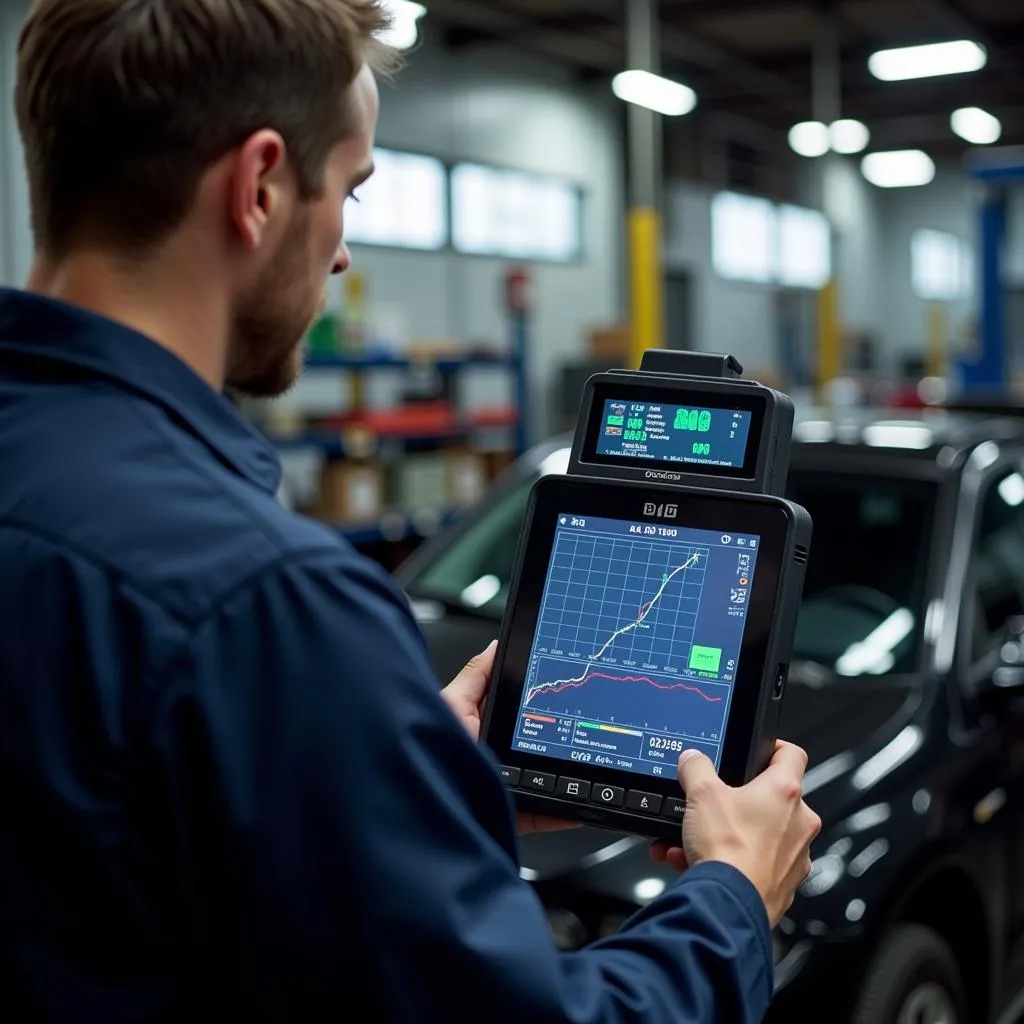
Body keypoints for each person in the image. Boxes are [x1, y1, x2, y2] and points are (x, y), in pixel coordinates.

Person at [0, 1, 821, 1020]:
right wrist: (735, 893)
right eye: (349, 188)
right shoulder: (268, 606)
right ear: (259, 186)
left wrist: (376, 774)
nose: (342, 254)